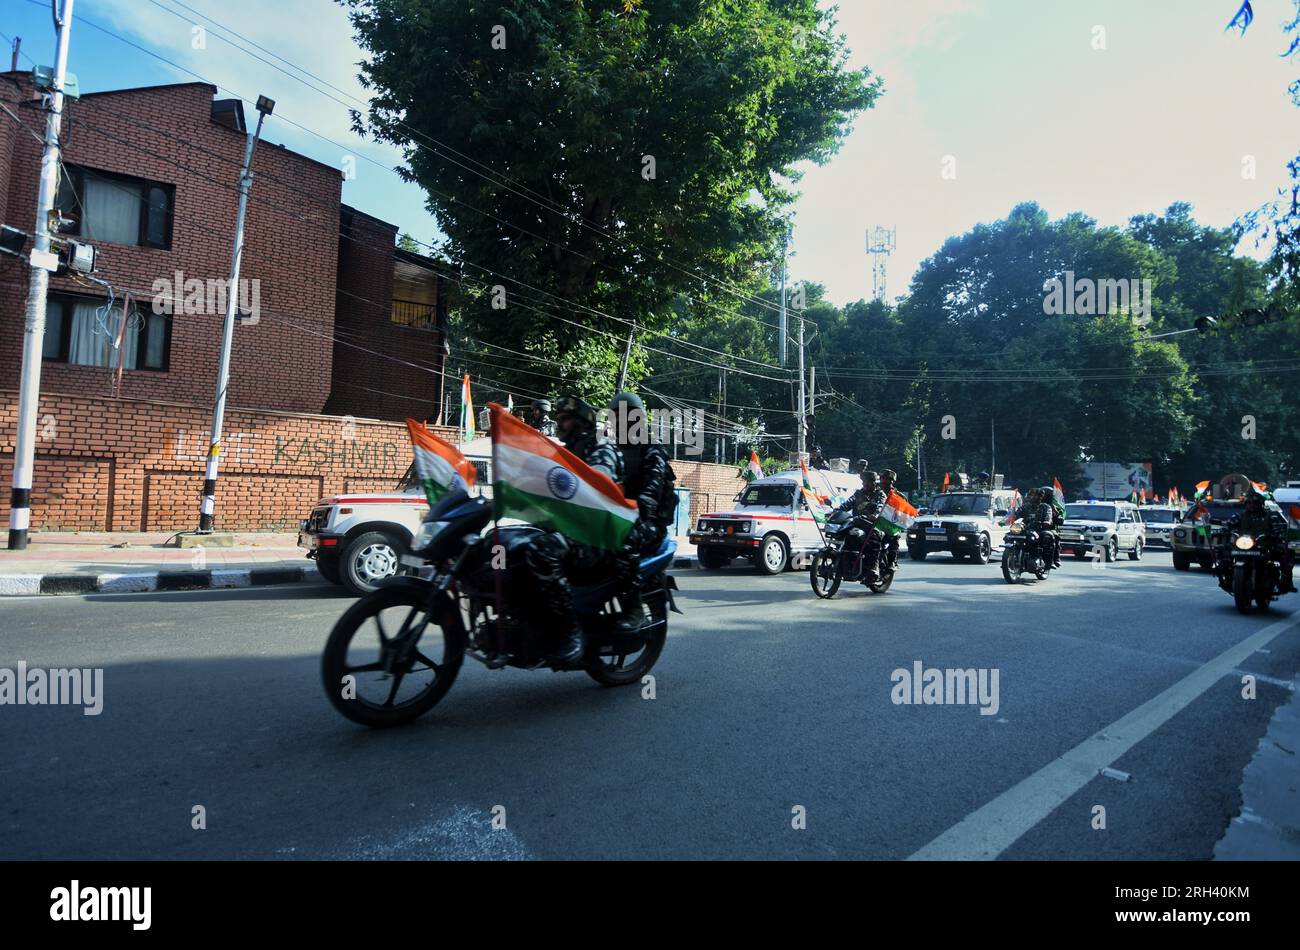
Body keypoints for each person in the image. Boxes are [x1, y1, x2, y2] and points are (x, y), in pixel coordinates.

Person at [523, 395, 625, 664]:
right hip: (574, 528)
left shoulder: (600, 448)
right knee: (514, 544)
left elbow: (596, 482)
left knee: (542, 552)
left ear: (581, 421)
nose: (559, 424)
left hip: (597, 535)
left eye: (564, 418)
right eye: (557, 419)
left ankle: (571, 630)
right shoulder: (566, 452)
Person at [608, 392, 677, 625]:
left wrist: (637, 513)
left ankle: (634, 608)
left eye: (621, 417)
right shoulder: (612, 450)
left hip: (648, 522)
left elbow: (651, 492)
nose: (616, 423)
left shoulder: (651, 449)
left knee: (623, 545)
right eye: (614, 417)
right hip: (618, 517)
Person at [1229, 488, 1296, 593]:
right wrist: (1222, 529)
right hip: (1244, 544)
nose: (1252, 505)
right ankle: (1227, 577)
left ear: (1261, 504)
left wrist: (1280, 533)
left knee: (1287, 554)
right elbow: (1229, 524)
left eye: (1255, 503)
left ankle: (1285, 582)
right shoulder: (1240, 516)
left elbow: (1278, 527)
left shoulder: (1270, 516)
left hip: (1265, 545)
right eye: (1249, 503)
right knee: (1223, 552)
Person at [834, 467, 887, 582]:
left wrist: (875, 515)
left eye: (868, 481)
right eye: (864, 482)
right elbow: (847, 504)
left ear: (874, 482)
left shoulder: (880, 494)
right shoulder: (858, 493)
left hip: (873, 524)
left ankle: (874, 568)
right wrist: (836, 511)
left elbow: (880, 506)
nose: (865, 484)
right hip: (857, 522)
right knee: (844, 534)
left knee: (873, 540)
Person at [1039, 485, 1063, 568]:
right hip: (1033, 527)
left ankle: (1054, 559)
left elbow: (1059, 518)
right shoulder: (1034, 505)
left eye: (1045, 495)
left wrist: (1058, 518)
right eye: (1041, 495)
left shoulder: (1054, 508)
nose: (1043, 497)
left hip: (1048, 528)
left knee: (1054, 537)